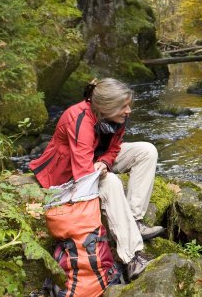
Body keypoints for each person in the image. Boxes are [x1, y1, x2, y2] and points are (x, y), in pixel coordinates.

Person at [29, 78, 164, 280]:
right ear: (105, 106)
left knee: (147, 151)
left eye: (128, 105)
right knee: (110, 182)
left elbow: (114, 148)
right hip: (65, 174)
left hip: (94, 159)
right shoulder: (78, 118)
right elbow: (83, 174)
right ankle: (131, 258)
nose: (128, 111)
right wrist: (101, 171)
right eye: (123, 106)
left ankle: (134, 220)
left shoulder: (117, 117)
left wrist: (105, 162)